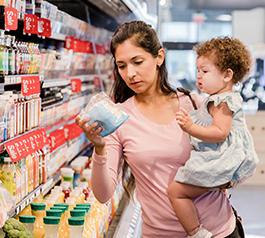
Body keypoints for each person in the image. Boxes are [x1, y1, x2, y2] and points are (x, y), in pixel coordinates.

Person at [75, 21, 244, 238]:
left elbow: (238, 155)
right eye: (122, 65)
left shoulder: (195, 104)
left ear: (159, 57)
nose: (130, 73)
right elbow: (103, 193)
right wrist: (99, 148)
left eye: (138, 62)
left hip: (218, 231)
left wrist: (225, 178)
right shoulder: (119, 117)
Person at [167, 37, 259, 238]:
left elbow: (220, 133)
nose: (199, 76)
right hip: (223, 158)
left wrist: (190, 127)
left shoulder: (222, 102)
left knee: (176, 191)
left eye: (205, 71)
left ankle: (195, 232)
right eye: (198, 70)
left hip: (220, 160)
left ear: (227, 75)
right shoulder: (217, 99)